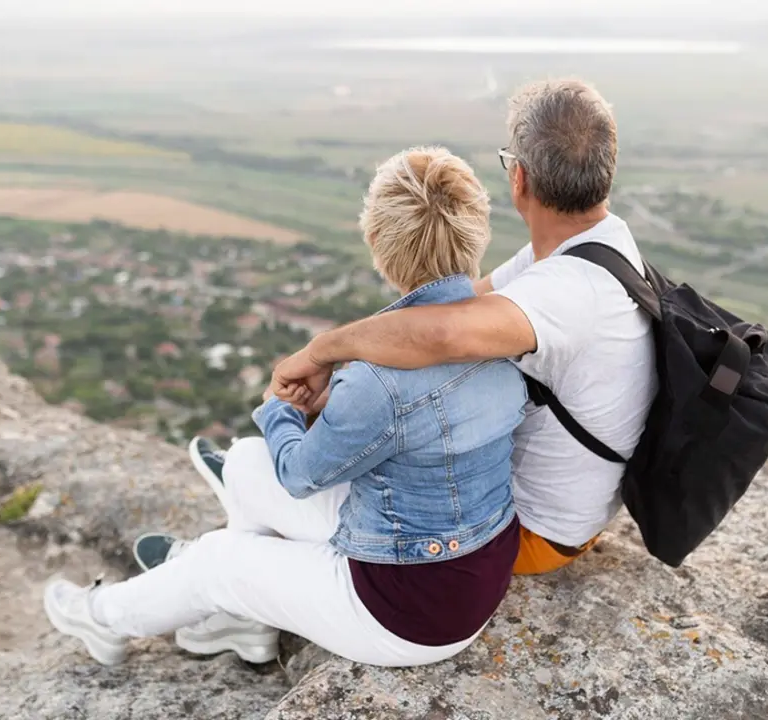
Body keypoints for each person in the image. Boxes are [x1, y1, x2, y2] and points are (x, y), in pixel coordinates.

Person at [43, 146, 525, 668]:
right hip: (471, 570)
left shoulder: (377, 381)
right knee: (248, 462)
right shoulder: (502, 333)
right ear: (477, 234)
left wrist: (282, 408)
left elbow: (299, 475)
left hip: (406, 609)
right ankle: (244, 622)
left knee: (216, 562)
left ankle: (103, 616)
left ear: (378, 245)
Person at [272, 79, 657, 576]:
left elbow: (444, 333)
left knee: (273, 475)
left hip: (527, 533)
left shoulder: (568, 290)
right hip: (568, 515)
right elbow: (456, 302)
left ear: (518, 178)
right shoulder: (596, 246)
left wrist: (323, 351)